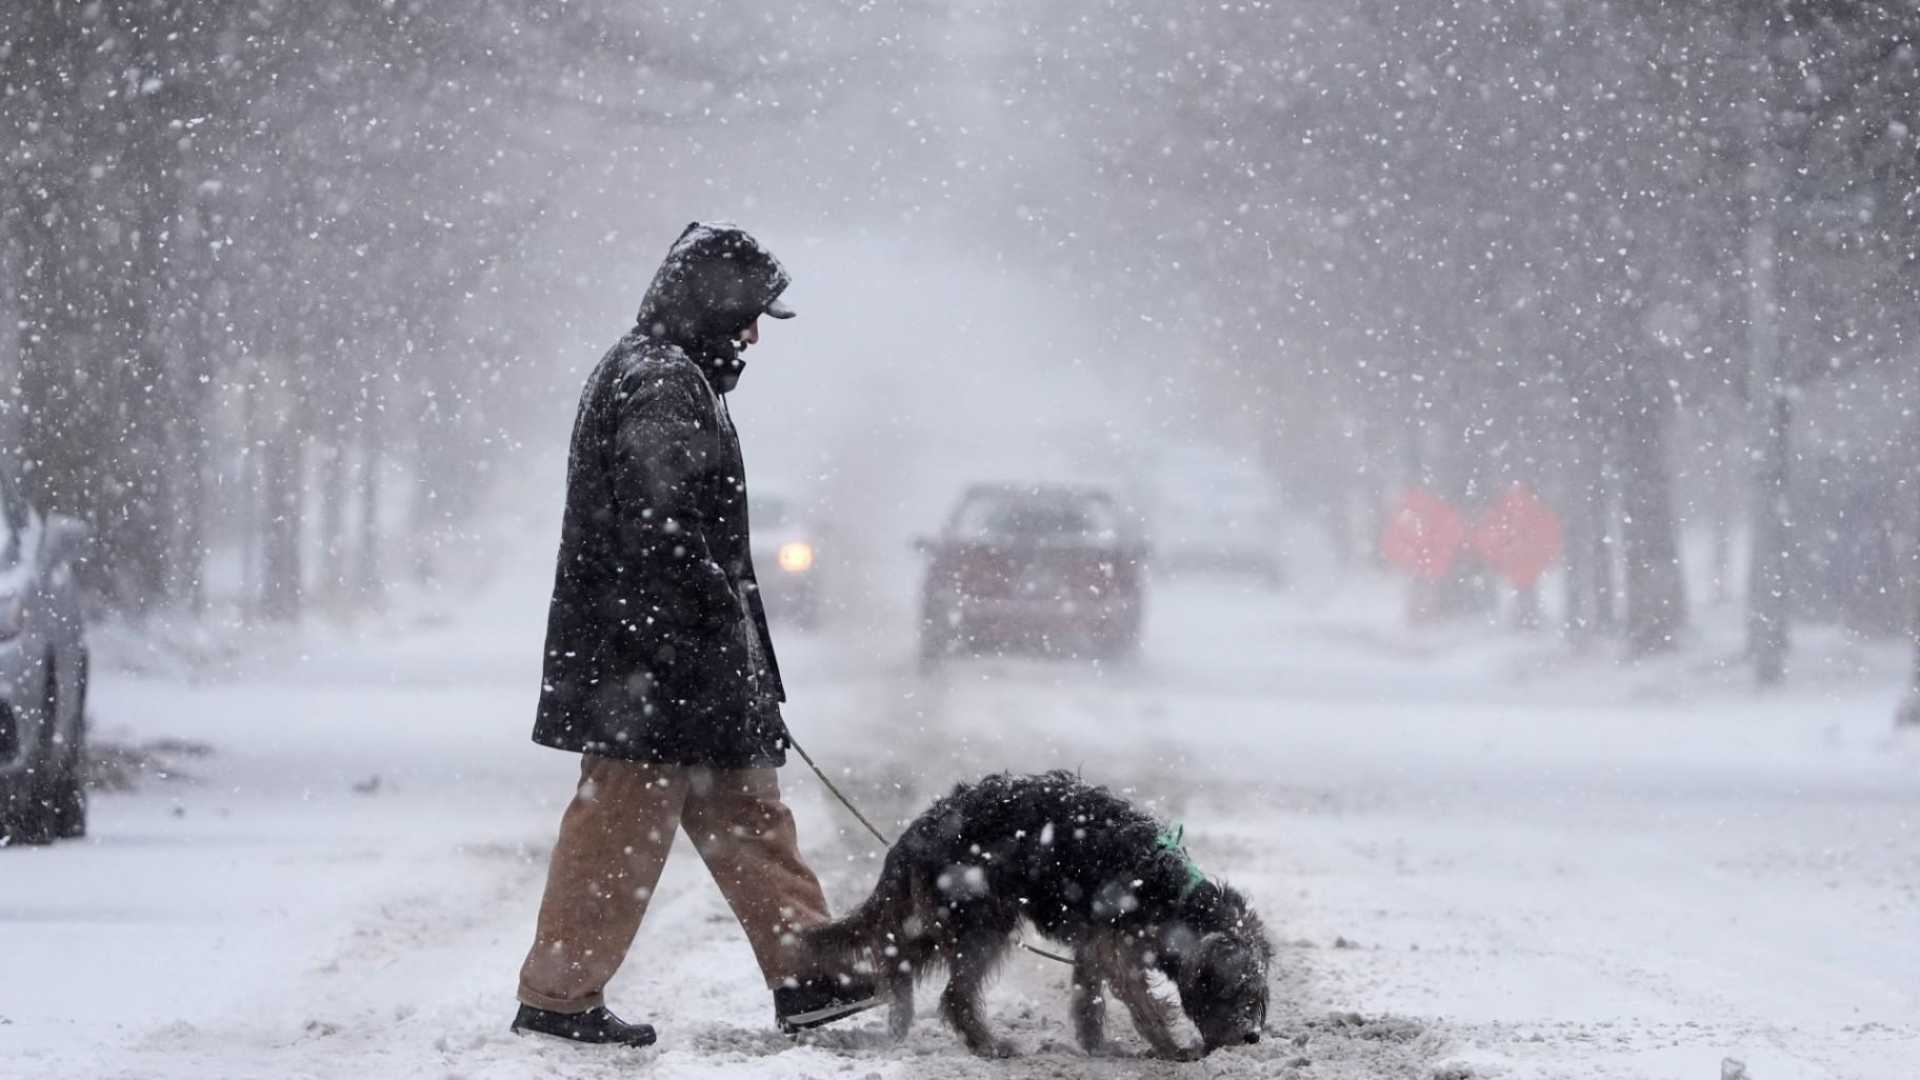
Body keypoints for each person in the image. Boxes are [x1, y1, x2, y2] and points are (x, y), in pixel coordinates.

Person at [511, 222, 877, 1047]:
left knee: (748, 812)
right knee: (620, 829)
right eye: (746, 315)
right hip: (650, 663)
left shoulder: (672, 376)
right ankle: (559, 998)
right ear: (708, 305)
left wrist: (733, 655)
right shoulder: (659, 382)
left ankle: (809, 974)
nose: (752, 334)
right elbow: (660, 523)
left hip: (679, 660)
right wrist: (712, 623)